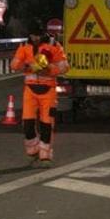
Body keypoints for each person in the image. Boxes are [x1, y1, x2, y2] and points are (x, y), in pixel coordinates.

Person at [11, 19, 68, 167]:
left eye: (38, 35)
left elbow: (64, 67)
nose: (35, 38)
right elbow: (14, 64)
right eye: (32, 35)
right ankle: (33, 151)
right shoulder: (24, 46)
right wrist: (27, 65)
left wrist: (48, 68)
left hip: (48, 90)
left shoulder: (54, 46)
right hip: (30, 89)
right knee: (28, 124)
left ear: (43, 34)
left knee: (46, 125)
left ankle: (45, 156)